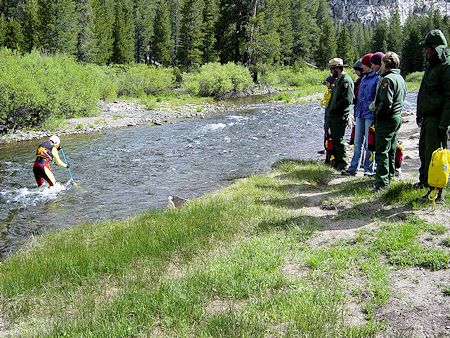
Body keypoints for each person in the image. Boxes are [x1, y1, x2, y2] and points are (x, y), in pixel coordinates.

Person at [416, 29, 450, 202]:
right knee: (424, 152)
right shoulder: (433, 64)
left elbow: (449, 98)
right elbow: (425, 91)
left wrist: (443, 125)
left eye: (428, 48)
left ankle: (436, 192)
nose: (425, 51)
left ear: (436, 48)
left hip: (438, 119)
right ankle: (424, 182)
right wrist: (419, 113)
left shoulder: (446, 66)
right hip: (428, 118)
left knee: (435, 156)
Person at [372, 52, 406, 191]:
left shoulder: (387, 80)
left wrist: (377, 114)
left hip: (387, 119)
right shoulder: (400, 78)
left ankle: (381, 183)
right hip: (397, 117)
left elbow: (386, 103)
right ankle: (390, 176)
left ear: (385, 64)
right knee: (391, 149)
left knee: (382, 150)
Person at [343, 53, 380, 176]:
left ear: (369, 65)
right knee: (357, 142)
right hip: (359, 113)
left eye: (364, 64)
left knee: (369, 144)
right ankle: (353, 168)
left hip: (370, 115)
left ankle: (369, 169)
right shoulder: (363, 79)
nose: (362, 67)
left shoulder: (377, 79)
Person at [327, 58, 355, 171]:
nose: (331, 72)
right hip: (334, 115)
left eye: (332, 69)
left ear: (337, 68)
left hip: (340, 115)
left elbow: (347, 100)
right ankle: (337, 161)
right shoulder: (338, 80)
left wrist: (334, 108)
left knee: (339, 140)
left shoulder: (346, 81)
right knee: (335, 139)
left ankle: (343, 163)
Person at [319, 75, 336, 159]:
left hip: (330, 118)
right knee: (327, 136)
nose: (326, 84)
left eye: (327, 83)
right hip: (327, 118)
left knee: (329, 137)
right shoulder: (328, 92)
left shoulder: (333, 93)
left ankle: (330, 156)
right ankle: (328, 153)